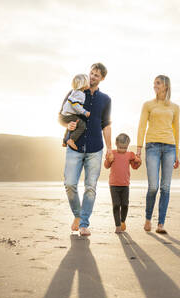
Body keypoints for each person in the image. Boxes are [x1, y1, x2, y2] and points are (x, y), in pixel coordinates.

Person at [58, 63, 113, 237]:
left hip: (95, 149)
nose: (92, 77)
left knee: (90, 188)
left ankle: (83, 223)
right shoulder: (74, 92)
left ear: (102, 78)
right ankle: (77, 215)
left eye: (97, 75)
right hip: (75, 146)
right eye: (91, 73)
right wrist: (68, 124)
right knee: (69, 184)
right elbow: (61, 116)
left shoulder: (105, 99)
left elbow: (106, 125)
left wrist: (110, 148)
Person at [136, 75, 180, 234]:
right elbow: (141, 126)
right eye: (154, 83)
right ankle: (148, 218)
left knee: (166, 187)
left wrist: (177, 153)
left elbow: (177, 130)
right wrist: (139, 149)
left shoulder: (175, 107)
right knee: (153, 187)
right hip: (152, 147)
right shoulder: (148, 105)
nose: (155, 86)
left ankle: (160, 224)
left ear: (166, 86)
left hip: (170, 147)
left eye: (158, 83)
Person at [104, 133, 141, 233]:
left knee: (125, 204)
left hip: (125, 185)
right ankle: (117, 225)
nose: (122, 149)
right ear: (116, 144)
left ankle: (123, 221)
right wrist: (108, 159)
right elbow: (106, 166)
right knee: (116, 205)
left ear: (128, 146)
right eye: (120, 147)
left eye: (125, 148)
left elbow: (135, 167)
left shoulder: (130, 154)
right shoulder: (112, 153)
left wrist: (138, 161)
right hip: (113, 185)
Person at [59, 74, 91, 150]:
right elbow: (75, 104)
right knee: (82, 125)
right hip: (68, 114)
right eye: (88, 82)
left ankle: (64, 141)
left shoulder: (75, 91)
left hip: (65, 114)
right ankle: (71, 140)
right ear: (83, 84)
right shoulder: (80, 94)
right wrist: (84, 112)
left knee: (71, 125)